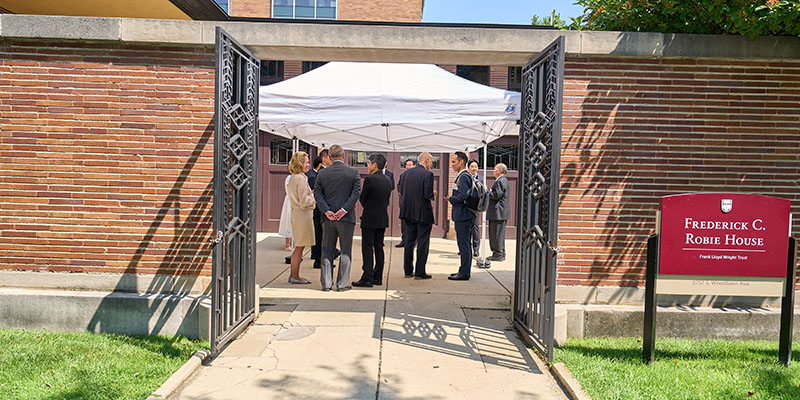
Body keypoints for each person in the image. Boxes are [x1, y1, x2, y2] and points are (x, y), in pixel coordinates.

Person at [314, 144, 361, 291]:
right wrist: (344, 209)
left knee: (327, 250)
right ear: (343, 156)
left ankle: (327, 284)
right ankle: (342, 284)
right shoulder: (353, 172)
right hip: (346, 219)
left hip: (327, 219)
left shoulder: (322, 174)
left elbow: (317, 193)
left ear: (329, 157)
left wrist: (326, 210)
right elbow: (356, 193)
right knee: (345, 250)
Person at [353, 154, 392, 287]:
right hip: (382, 217)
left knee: (368, 248)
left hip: (370, 217)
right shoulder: (388, 180)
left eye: (369, 163)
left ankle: (367, 277)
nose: (368, 166)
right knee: (379, 247)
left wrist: (368, 206)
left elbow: (363, 198)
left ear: (375, 164)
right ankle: (378, 276)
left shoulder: (370, 179)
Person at [398, 152, 435, 280]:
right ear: (427, 160)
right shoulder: (428, 174)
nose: (431, 164)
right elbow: (427, 194)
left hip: (408, 212)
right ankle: (420, 272)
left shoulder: (405, 174)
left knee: (409, 242)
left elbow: (401, 191)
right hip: (423, 213)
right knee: (423, 242)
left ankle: (408, 271)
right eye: (431, 161)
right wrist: (433, 194)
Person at [286, 152, 315, 284]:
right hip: (303, 215)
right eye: (306, 162)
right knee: (300, 247)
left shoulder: (293, 177)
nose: (308, 164)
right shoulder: (301, 179)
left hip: (296, 213)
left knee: (298, 246)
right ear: (299, 163)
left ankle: (294, 275)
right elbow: (304, 201)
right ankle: (295, 276)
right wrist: (315, 197)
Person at [446, 151, 473, 281]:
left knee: (464, 245)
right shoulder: (463, 176)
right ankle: (463, 270)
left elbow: (463, 195)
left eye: (453, 161)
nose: (452, 164)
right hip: (463, 215)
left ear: (461, 162)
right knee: (464, 244)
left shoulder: (464, 177)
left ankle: (464, 273)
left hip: (463, 215)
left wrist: (452, 199)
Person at [487, 163, 509, 262]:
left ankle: (498, 253)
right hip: (500, 212)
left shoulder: (500, 181)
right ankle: (499, 252)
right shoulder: (503, 180)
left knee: (496, 234)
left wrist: (487, 192)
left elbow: (496, 195)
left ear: (499, 171)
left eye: (495, 169)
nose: (493, 171)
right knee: (498, 233)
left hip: (498, 212)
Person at [395, 159, 416, 248]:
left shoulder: (417, 176)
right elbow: (399, 186)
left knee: (414, 224)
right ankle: (404, 240)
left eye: (410, 165)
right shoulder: (403, 175)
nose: (408, 167)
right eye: (407, 165)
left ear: (414, 166)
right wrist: (400, 191)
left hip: (414, 204)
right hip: (404, 203)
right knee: (404, 224)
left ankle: (414, 241)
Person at [467, 159, 483, 257]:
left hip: (476, 206)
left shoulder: (480, 178)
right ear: (468, 168)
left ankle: (476, 249)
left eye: (475, 166)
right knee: (466, 228)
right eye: (472, 166)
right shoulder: (465, 177)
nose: (474, 168)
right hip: (467, 206)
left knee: (475, 228)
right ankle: (466, 248)